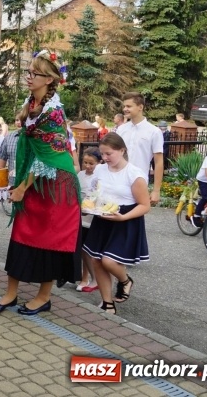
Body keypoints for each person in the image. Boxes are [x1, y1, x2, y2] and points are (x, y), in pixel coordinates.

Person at [0, 50, 81, 316]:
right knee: (21, 233)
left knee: (49, 240)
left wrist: (21, 187)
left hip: (56, 185)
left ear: (49, 79)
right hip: (35, 179)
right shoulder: (32, 103)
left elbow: (48, 159)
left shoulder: (54, 113)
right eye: (28, 72)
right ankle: (10, 293)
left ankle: (43, 297)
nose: (28, 77)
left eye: (34, 73)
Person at [83, 133, 150, 315]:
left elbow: (145, 205)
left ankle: (125, 280)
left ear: (122, 150)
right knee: (96, 261)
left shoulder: (134, 174)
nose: (105, 158)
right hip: (102, 217)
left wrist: (123, 217)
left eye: (109, 154)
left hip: (125, 219)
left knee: (108, 261)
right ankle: (107, 303)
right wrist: (88, 206)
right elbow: (94, 193)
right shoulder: (100, 170)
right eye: (102, 154)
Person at [115, 92, 164, 205]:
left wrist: (156, 190)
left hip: (139, 182)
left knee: (136, 214)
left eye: (129, 106)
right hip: (119, 181)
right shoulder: (121, 130)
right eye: (124, 106)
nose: (125, 109)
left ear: (140, 107)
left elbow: (158, 162)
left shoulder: (154, 132)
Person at [76, 148, 102, 293]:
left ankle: (92, 278)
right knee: (81, 248)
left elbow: (99, 195)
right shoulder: (80, 175)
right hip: (80, 214)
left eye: (91, 163)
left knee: (88, 249)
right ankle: (84, 277)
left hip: (92, 216)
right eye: (85, 162)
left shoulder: (100, 177)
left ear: (99, 163)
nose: (87, 166)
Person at [0, 116, 23, 190]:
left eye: (21, 120)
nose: (18, 122)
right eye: (16, 120)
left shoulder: (35, 138)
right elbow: (2, 158)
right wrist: (0, 180)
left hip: (28, 185)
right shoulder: (9, 138)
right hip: (12, 184)